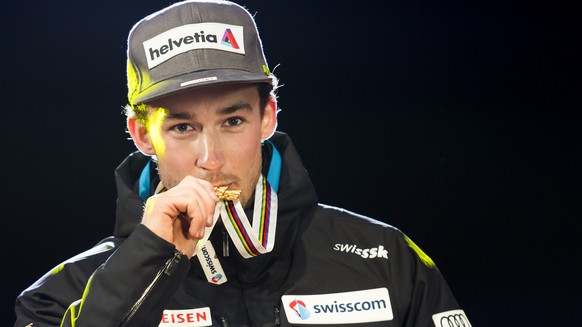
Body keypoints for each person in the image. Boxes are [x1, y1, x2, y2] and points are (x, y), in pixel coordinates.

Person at [14, 1, 472, 326]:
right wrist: (144, 264)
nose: (210, 158)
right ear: (140, 135)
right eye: (182, 128)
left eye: (232, 120)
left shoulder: (387, 258)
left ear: (268, 116)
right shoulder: (62, 296)